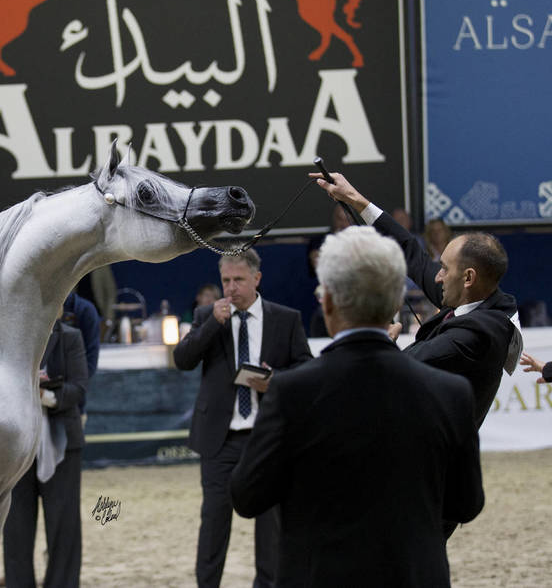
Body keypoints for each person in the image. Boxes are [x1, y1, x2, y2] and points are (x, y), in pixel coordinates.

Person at [230, 227, 484, 587]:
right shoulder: (451, 392)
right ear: (396, 303)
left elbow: (247, 496)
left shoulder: (291, 392)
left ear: (328, 301)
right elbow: (466, 504)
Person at [311, 171, 519, 430]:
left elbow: (401, 365)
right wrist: (355, 199)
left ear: (468, 278)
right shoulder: (479, 298)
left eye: (444, 268)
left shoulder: (474, 337)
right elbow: (411, 251)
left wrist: (382, 340)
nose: (438, 277)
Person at [173, 248, 312, 588]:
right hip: (220, 440)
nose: (231, 288)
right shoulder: (208, 314)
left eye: (238, 280)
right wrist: (211, 325)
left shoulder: (285, 318)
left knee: (271, 527)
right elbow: (182, 359)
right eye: (225, 280)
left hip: (266, 439)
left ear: (257, 279)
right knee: (214, 523)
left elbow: (306, 369)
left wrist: (273, 380)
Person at [2, 319, 88, 588]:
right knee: (15, 529)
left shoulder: (71, 338)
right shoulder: (8, 336)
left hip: (63, 444)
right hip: (16, 446)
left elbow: (78, 388)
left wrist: (43, 396)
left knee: (64, 527)